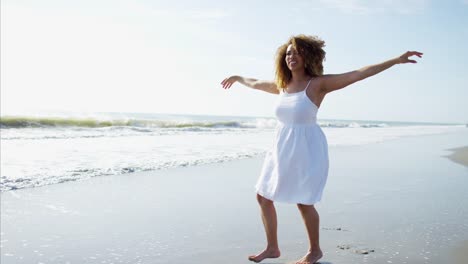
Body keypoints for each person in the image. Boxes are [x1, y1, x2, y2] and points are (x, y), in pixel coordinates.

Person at [220, 34, 422, 264]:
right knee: (263, 196)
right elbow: (254, 82)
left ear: (307, 55)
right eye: (288, 53)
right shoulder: (282, 85)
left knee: (304, 201)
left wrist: (395, 60)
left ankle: (314, 251)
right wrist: (237, 77)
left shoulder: (317, 85)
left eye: (296, 52)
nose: (291, 56)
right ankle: (272, 248)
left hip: (307, 148)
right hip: (280, 148)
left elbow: (358, 74)